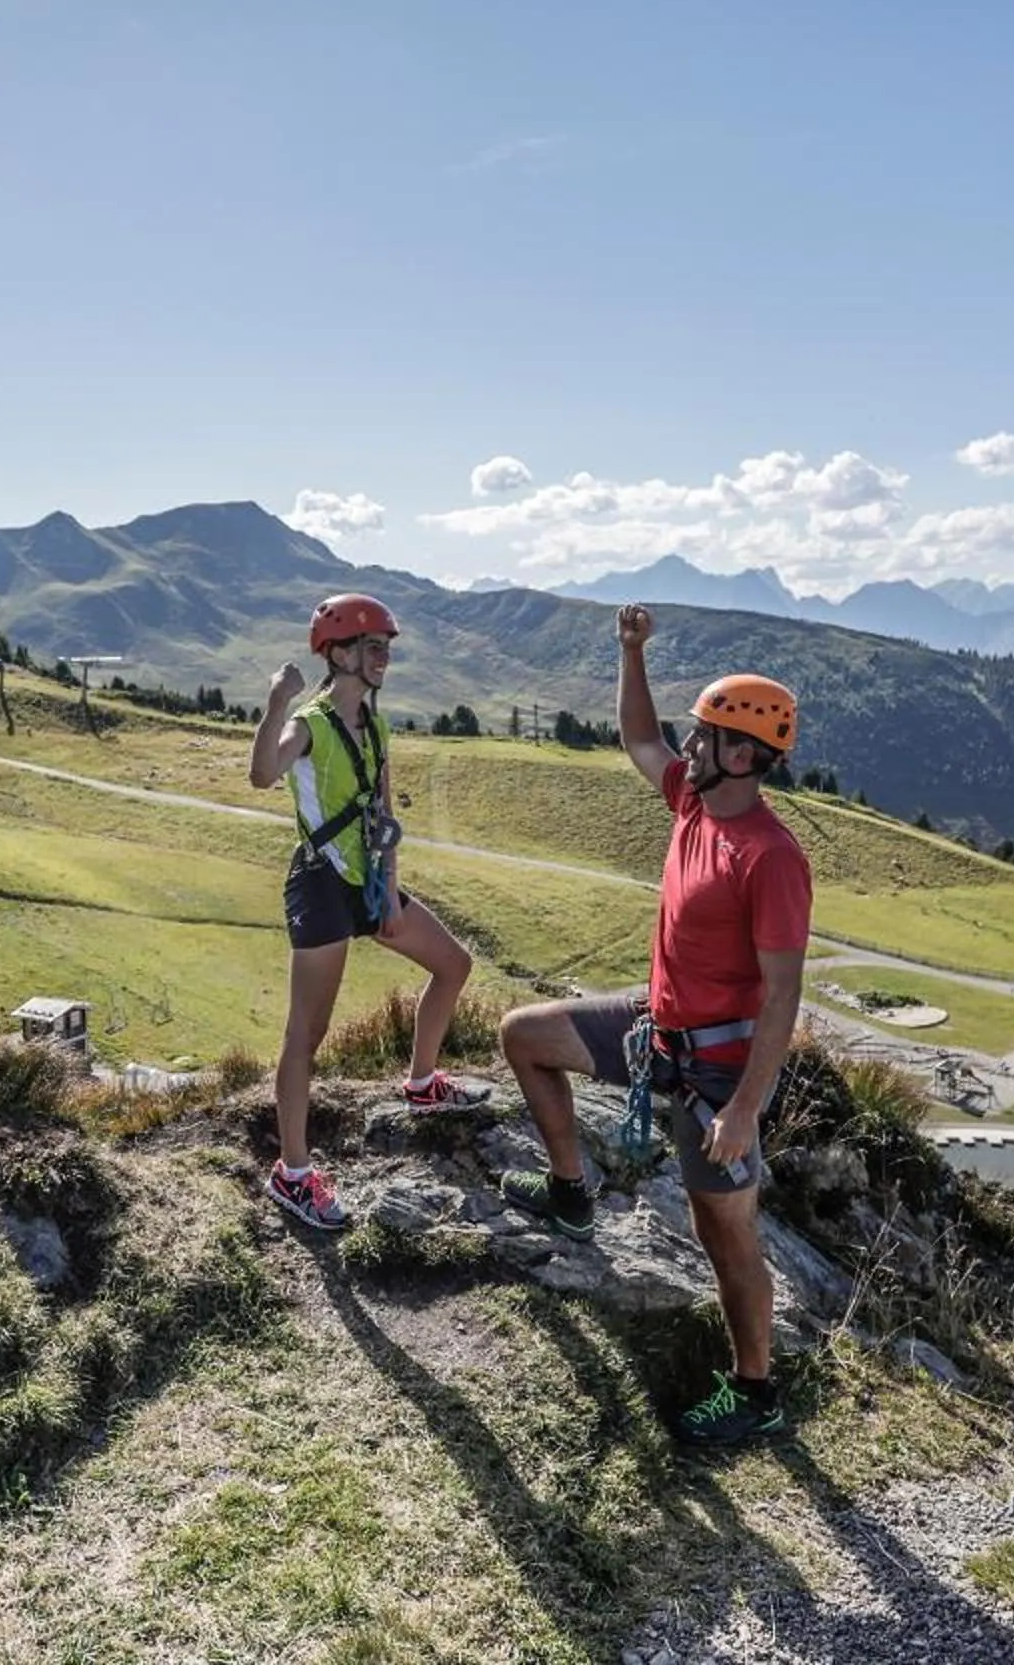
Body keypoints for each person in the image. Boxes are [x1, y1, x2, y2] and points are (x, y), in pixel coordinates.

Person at [494, 604, 812, 1445]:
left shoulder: (771, 859)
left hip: (717, 1070)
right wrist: (629, 651)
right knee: (525, 1035)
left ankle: (755, 1391)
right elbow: (639, 741)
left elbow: (782, 996)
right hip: (655, 1027)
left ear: (743, 755)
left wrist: (745, 1108)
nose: (689, 747)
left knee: (724, 1233)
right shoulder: (693, 804)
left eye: (705, 737)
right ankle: (571, 1196)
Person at [245, 593, 493, 1229]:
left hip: (367, 882)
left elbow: (384, 818)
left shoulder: (377, 728)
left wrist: (389, 888)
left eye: (386, 648)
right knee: (307, 1034)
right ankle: (293, 1175)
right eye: (373, 647)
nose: (384, 659)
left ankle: (420, 1083)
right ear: (339, 653)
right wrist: (277, 702)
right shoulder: (311, 723)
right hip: (320, 885)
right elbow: (262, 775)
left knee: (453, 964)